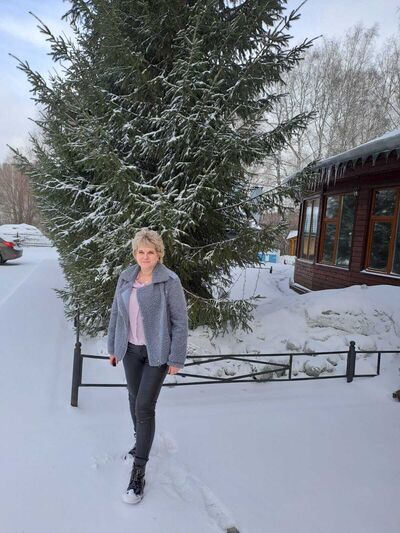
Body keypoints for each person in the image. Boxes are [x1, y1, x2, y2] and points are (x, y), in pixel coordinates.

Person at [107, 228, 188, 504]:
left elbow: (180, 322)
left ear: (158, 254)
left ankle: (138, 471)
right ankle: (139, 440)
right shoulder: (126, 277)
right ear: (135, 253)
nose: (145, 257)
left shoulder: (169, 281)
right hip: (130, 350)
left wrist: (176, 358)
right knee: (133, 398)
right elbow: (116, 315)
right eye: (140, 252)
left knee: (144, 406)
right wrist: (113, 348)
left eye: (150, 252)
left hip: (157, 354)